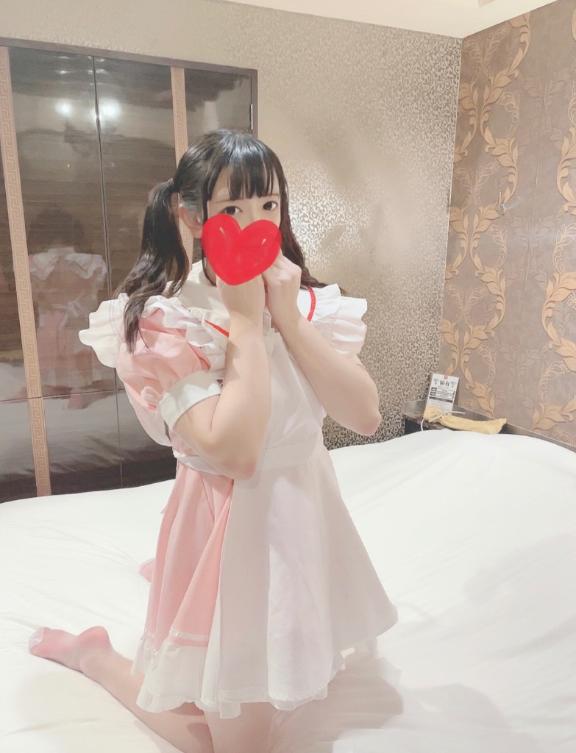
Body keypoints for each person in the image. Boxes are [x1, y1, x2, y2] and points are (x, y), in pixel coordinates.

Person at [28, 129, 398, 753]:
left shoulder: (305, 302)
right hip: (227, 532)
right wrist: (248, 323)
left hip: (305, 517)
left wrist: (285, 316)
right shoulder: (166, 319)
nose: (257, 224)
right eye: (233, 208)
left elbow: (364, 415)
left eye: (269, 204)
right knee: (236, 745)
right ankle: (98, 658)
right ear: (190, 215)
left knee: (285, 676)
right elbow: (236, 454)